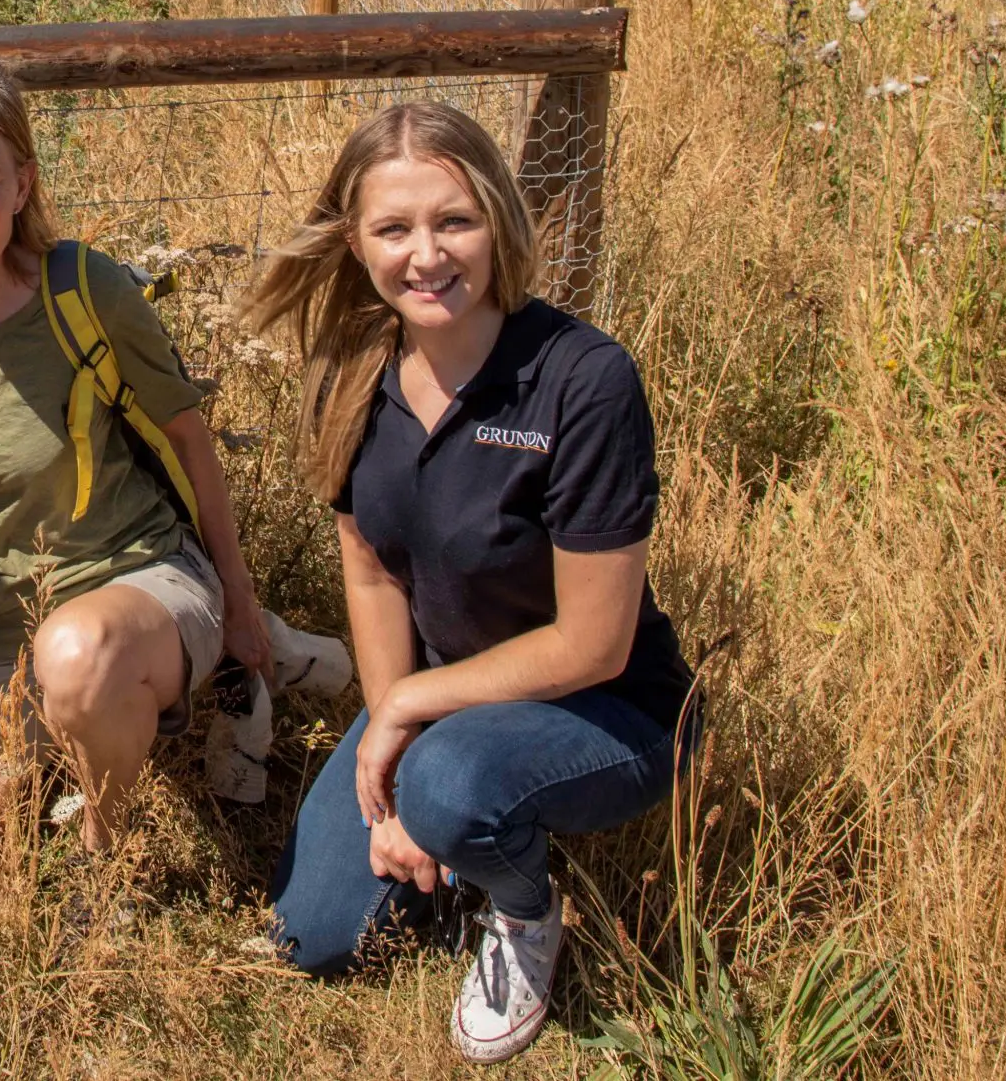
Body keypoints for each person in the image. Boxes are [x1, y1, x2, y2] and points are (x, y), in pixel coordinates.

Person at [240, 101, 694, 1064]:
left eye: (455, 220)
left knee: (448, 784)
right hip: (445, 696)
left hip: (609, 709)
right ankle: (458, 828)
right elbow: (369, 571)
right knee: (312, 937)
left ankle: (525, 907)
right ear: (355, 243)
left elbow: (594, 643)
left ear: (498, 218)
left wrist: (408, 723)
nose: (427, 255)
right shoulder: (351, 374)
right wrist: (390, 730)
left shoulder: (583, 379)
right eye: (394, 228)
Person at [0, 51, 323, 850]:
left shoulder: (81, 288)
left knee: (78, 655)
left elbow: (187, 438)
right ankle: (159, 691)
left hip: (136, 575)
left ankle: (105, 854)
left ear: (23, 185)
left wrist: (238, 596)